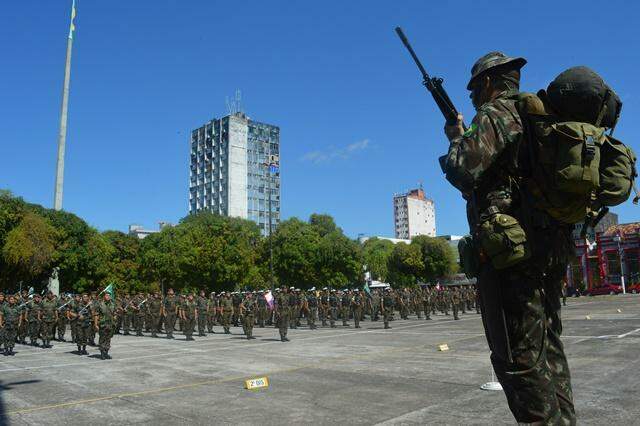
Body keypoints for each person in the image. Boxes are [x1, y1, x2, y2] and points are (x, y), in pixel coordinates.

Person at [441, 51, 575, 424]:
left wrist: (455, 138)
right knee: (548, 349)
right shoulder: (536, 116)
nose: (471, 97)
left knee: (518, 359)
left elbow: (463, 170)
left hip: (512, 255)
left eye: (473, 89)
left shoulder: (495, 114)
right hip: (548, 248)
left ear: (488, 83)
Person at [93, 292, 116, 360]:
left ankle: (106, 353)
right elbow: (96, 315)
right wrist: (96, 324)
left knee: (108, 339)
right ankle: (102, 354)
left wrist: (115, 317)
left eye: (109, 296)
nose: (108, 297)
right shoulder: (99, 304)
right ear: (104, 297)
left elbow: (114, 313)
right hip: (103, 324)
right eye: (106, 295)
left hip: (110, 324)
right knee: (102, 339)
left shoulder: (112, 304)